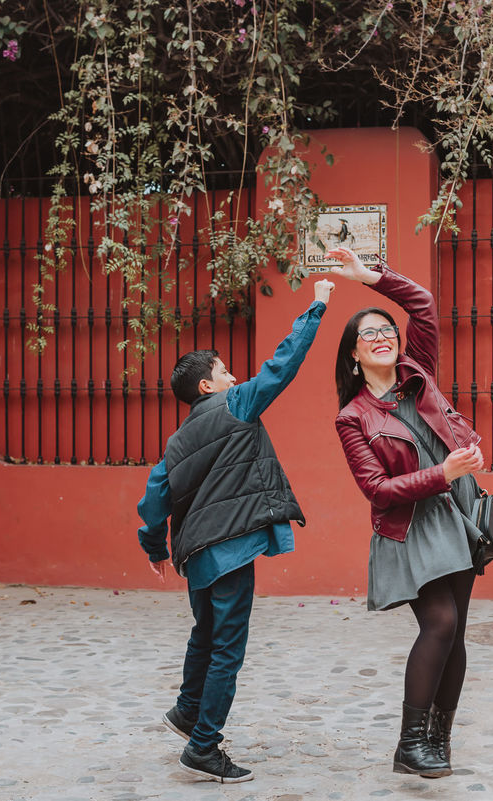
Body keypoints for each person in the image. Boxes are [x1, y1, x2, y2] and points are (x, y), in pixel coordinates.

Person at [137, 278, 335, 783]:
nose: (234, 376)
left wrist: (154, 545)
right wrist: (316, 307)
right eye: (225, 372)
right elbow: (281, 366)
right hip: (229, 548)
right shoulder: (237, 405)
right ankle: (203, 747)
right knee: (228, 647)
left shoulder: (176, 441)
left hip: (195, 555)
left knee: (205, 633)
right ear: (207, 386)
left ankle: (186, 711)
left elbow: (153, 498)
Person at [328, 246, 485, 779]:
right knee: (438, 623)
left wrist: (368, 277)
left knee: (456, 632)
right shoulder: (352, 418)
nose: (382, 338)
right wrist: (443, 474)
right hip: (408, 528)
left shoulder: (418, 372)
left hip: (454, 513)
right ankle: (409, 743)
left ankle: (438, 740)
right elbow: (377, 489)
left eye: (386, 331)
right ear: (353, 355)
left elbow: (421, 304)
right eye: (369, 334)